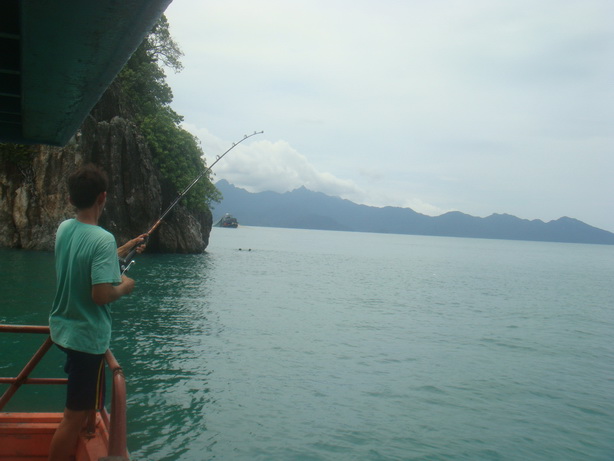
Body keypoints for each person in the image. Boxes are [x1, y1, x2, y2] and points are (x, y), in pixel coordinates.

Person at [48, 164, 146, 461]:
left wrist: (126, 247)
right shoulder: (101, 239)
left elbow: (85, 260)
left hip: (63, 329)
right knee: (72, 419)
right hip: (86, 340)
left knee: (78, 412)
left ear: (71, 199)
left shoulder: (66, 228)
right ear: (103, 197)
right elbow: (100, 294)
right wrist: (125, 287)